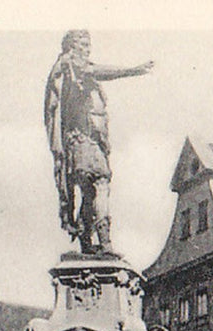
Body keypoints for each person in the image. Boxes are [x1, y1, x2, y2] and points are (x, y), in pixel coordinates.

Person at [44, 30, 153, 253]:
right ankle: (105, 241)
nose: (88, 49)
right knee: (99, 184)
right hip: (82, 142)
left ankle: (86, 239)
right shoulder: (69, 65)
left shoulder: (75, 71)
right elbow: (97, 71)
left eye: (88, 44)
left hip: (91, 142)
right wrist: (133, 70)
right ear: (71, 47)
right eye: (83, 44)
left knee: (91, 192)